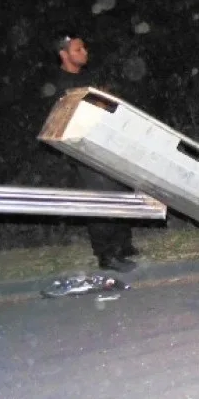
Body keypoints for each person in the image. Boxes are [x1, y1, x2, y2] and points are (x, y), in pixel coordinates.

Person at [53, 33, 139, 273]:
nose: (84, 53)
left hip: (105, 144)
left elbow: (108, 102)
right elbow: (67, 117)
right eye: (78, 50)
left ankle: (123, 245)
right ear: (64, 54)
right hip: (83, 150)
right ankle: (106, 255)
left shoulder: (88, 77)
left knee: (121, 190)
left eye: (84, 48)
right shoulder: (59, 83)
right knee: (101, 199)